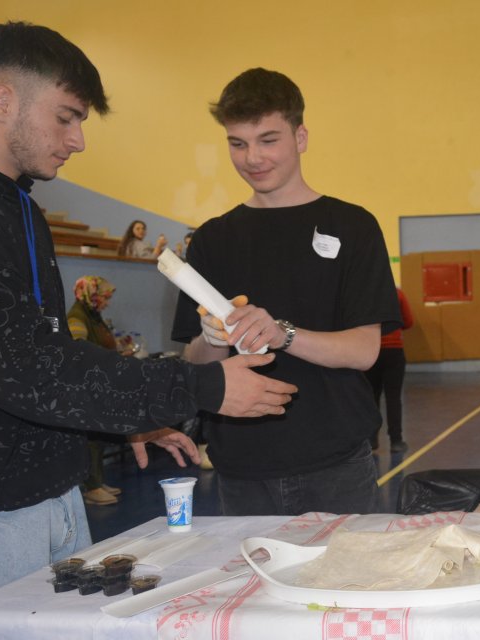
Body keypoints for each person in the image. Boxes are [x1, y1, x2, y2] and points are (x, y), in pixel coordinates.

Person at [0, 22, 297, 624]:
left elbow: (43, 362)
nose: (78, 140)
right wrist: (201, 387)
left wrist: (127, 426)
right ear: (3, 100)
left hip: (50, 498)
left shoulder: (16, 207)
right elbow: (24, 369)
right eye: (65, 117)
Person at [172, 68, 401, 517]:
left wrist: (283, 334)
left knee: (346, 588)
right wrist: (213, 340)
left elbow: (363, 351)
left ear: (301, 137)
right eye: (237, 143)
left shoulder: (353, 227)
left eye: (268, 140)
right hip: (241, 468)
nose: (252, 157)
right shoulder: (213, 239)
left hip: (336, 466)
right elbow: (195, 363)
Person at [66, 275, 134, 506]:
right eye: (104, 297)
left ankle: (98, 480)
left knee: (99, 437)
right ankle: (90, 486)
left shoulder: (93, 316)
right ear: (91, 296)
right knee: (90, 439)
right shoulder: (77, 317)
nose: (107, 302)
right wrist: (113, 356)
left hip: (99, 381)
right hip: (86, 384)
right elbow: (79, 349)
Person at [367, 287, 415, 453]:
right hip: (394, 351)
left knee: (372, 395)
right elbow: (408, 321)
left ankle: (372, 439)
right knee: (393, 397)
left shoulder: (364, 294)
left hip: (370, 351)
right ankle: (396, 440)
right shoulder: (397, 293)